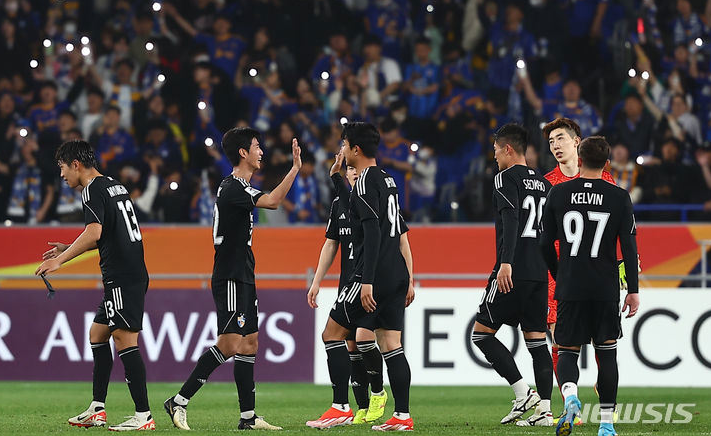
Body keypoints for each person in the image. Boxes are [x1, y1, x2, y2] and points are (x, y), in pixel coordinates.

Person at [164, 127, 301, 431]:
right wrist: (294, 169)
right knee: (229, 343)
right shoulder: (233, 188)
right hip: (230, 276)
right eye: (257, 146)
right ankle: (179, 401)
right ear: (243, 152)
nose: (261, 151)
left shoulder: (240, 187)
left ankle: (248, 417)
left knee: (249, 343)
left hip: (244, 274)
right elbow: (273, 201)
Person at [35, 140, 154, 431]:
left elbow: (94, 232)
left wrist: (60, 260)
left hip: (122, 276)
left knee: (125, 340)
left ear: (76, 164)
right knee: (97, 333)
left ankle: (143, 416)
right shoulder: (114, 185)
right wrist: (69, 246)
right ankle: (97, 409)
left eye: (63, 167)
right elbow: (108, 233)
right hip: (130, 272)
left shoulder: (90, 190)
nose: (62, 175)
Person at [306, 122, 415, 431]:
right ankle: (402, 416)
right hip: (395, 272)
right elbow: (358, 213)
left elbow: (371, 231)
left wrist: (366, 281)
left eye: (344, 144)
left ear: (355, 148)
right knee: (391, 344)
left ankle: (340, 406)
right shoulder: (387, 179)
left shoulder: (365, 180)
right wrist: (336, 178)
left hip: (372, 274)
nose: (341, 150)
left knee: (331, 334)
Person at [539, 136, 640, 436]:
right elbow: (629, 248)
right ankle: (607, 424)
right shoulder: (619, 197)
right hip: (604, 288)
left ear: (579, 159)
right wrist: (633, 290)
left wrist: (559, 273)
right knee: (607, 354)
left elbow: (544, 243)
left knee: (567, 351)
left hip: (570, 285)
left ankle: (571, 397)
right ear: (607, 163)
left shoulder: (558, 193)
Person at [470, 123, 554, 427]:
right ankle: (545, 411)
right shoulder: (544, 184)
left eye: (495, 150)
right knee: (537, 341)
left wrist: (505, 263)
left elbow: (511, 219)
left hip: (513, 268)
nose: (494, 156)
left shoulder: (504, 178)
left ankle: (523, 394)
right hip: (539, 272)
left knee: (481, 333)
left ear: (508, 149)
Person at [306, 148, 387, 425]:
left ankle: (371, 396)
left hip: (368, 282)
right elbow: (331, 243)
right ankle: (362, 407)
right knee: (351, 344)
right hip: (348, 283)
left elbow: (399, 238)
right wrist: (317, 281)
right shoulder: (340, 204)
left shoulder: (373, 199)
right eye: (348, 169)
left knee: (360, 340)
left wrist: (408, 277)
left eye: (355, 168)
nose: (352, 173)